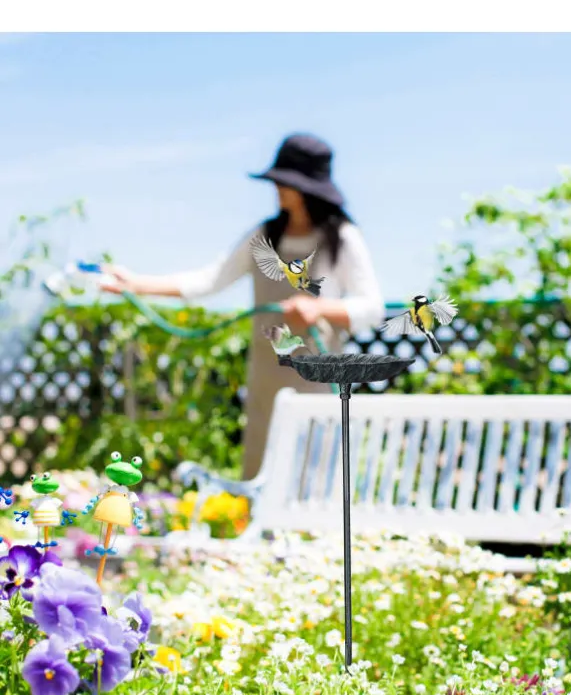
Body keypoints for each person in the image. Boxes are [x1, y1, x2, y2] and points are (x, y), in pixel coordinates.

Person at [100, 133, 385, 479]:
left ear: (307, 188)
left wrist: (320, 309)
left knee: (313, 476)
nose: (277, 189)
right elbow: (209, 280)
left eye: (285, 183)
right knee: (261, 473)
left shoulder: (341, 238)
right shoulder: (265, 236)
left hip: (316, 383)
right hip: (266, 379)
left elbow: (372, 307)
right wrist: (134, 284)